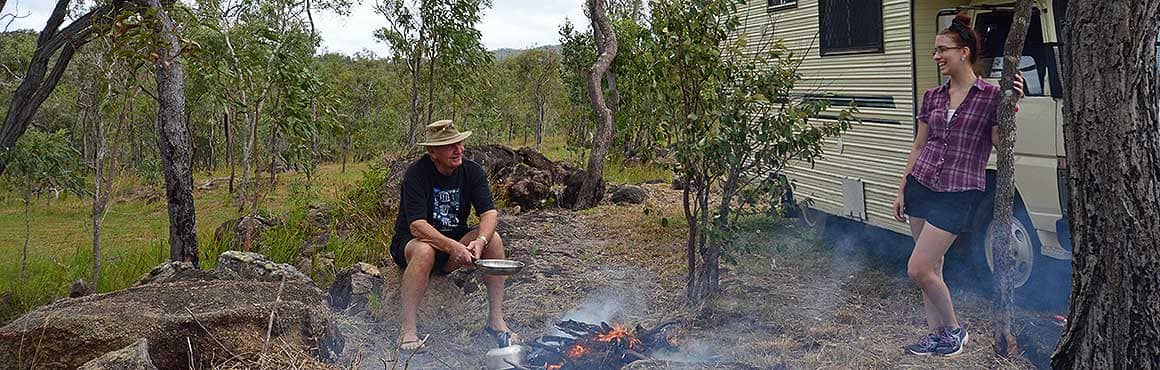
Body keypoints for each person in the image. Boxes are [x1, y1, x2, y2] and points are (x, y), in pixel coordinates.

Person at [892, 13, 1023, 357]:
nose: (936, 56)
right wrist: (902, 187)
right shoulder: (933, 96)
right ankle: (935, 336)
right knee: (932, 269)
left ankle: (953, 331)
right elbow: (919, 146)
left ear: (964, 52)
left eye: (942, 50)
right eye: (935, 50)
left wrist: (1012, 106)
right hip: (922, 184)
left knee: (917, 268)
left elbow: (1000, 142)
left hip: (958, 191)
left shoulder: (991, 95)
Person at [390, 120, 518, 351]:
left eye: (459, 143)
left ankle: (496, 320)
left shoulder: (472, 171)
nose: (458, 150)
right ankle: (408, 331)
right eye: (450, 146)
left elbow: (489, 213)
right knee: (424, 249)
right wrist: (453, 248)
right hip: (412, 243)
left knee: (494, 239)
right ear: (432, 152)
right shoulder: (416, 174)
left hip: (454, 241)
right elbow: (417, 226)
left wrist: (479, 242)